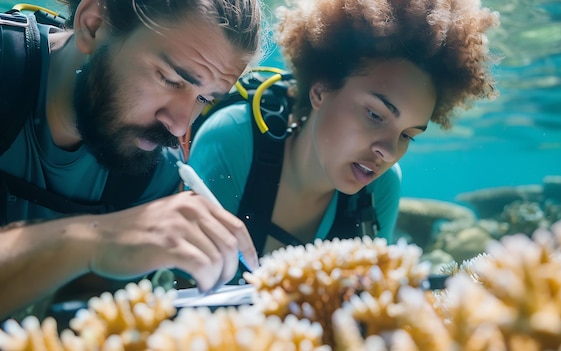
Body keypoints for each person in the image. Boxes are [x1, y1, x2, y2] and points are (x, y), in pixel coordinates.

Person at [0, 0, 263, 319]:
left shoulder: (154, 171)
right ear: (93, 23)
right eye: (170, 79)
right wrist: (100, 239)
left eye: (204, 99)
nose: (180, 125)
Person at [187, 0, 499, 264]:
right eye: (375, 114)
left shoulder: (383, 188)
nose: (389, 152)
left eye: (407, 135)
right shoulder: (231, 139)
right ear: (320, 90)